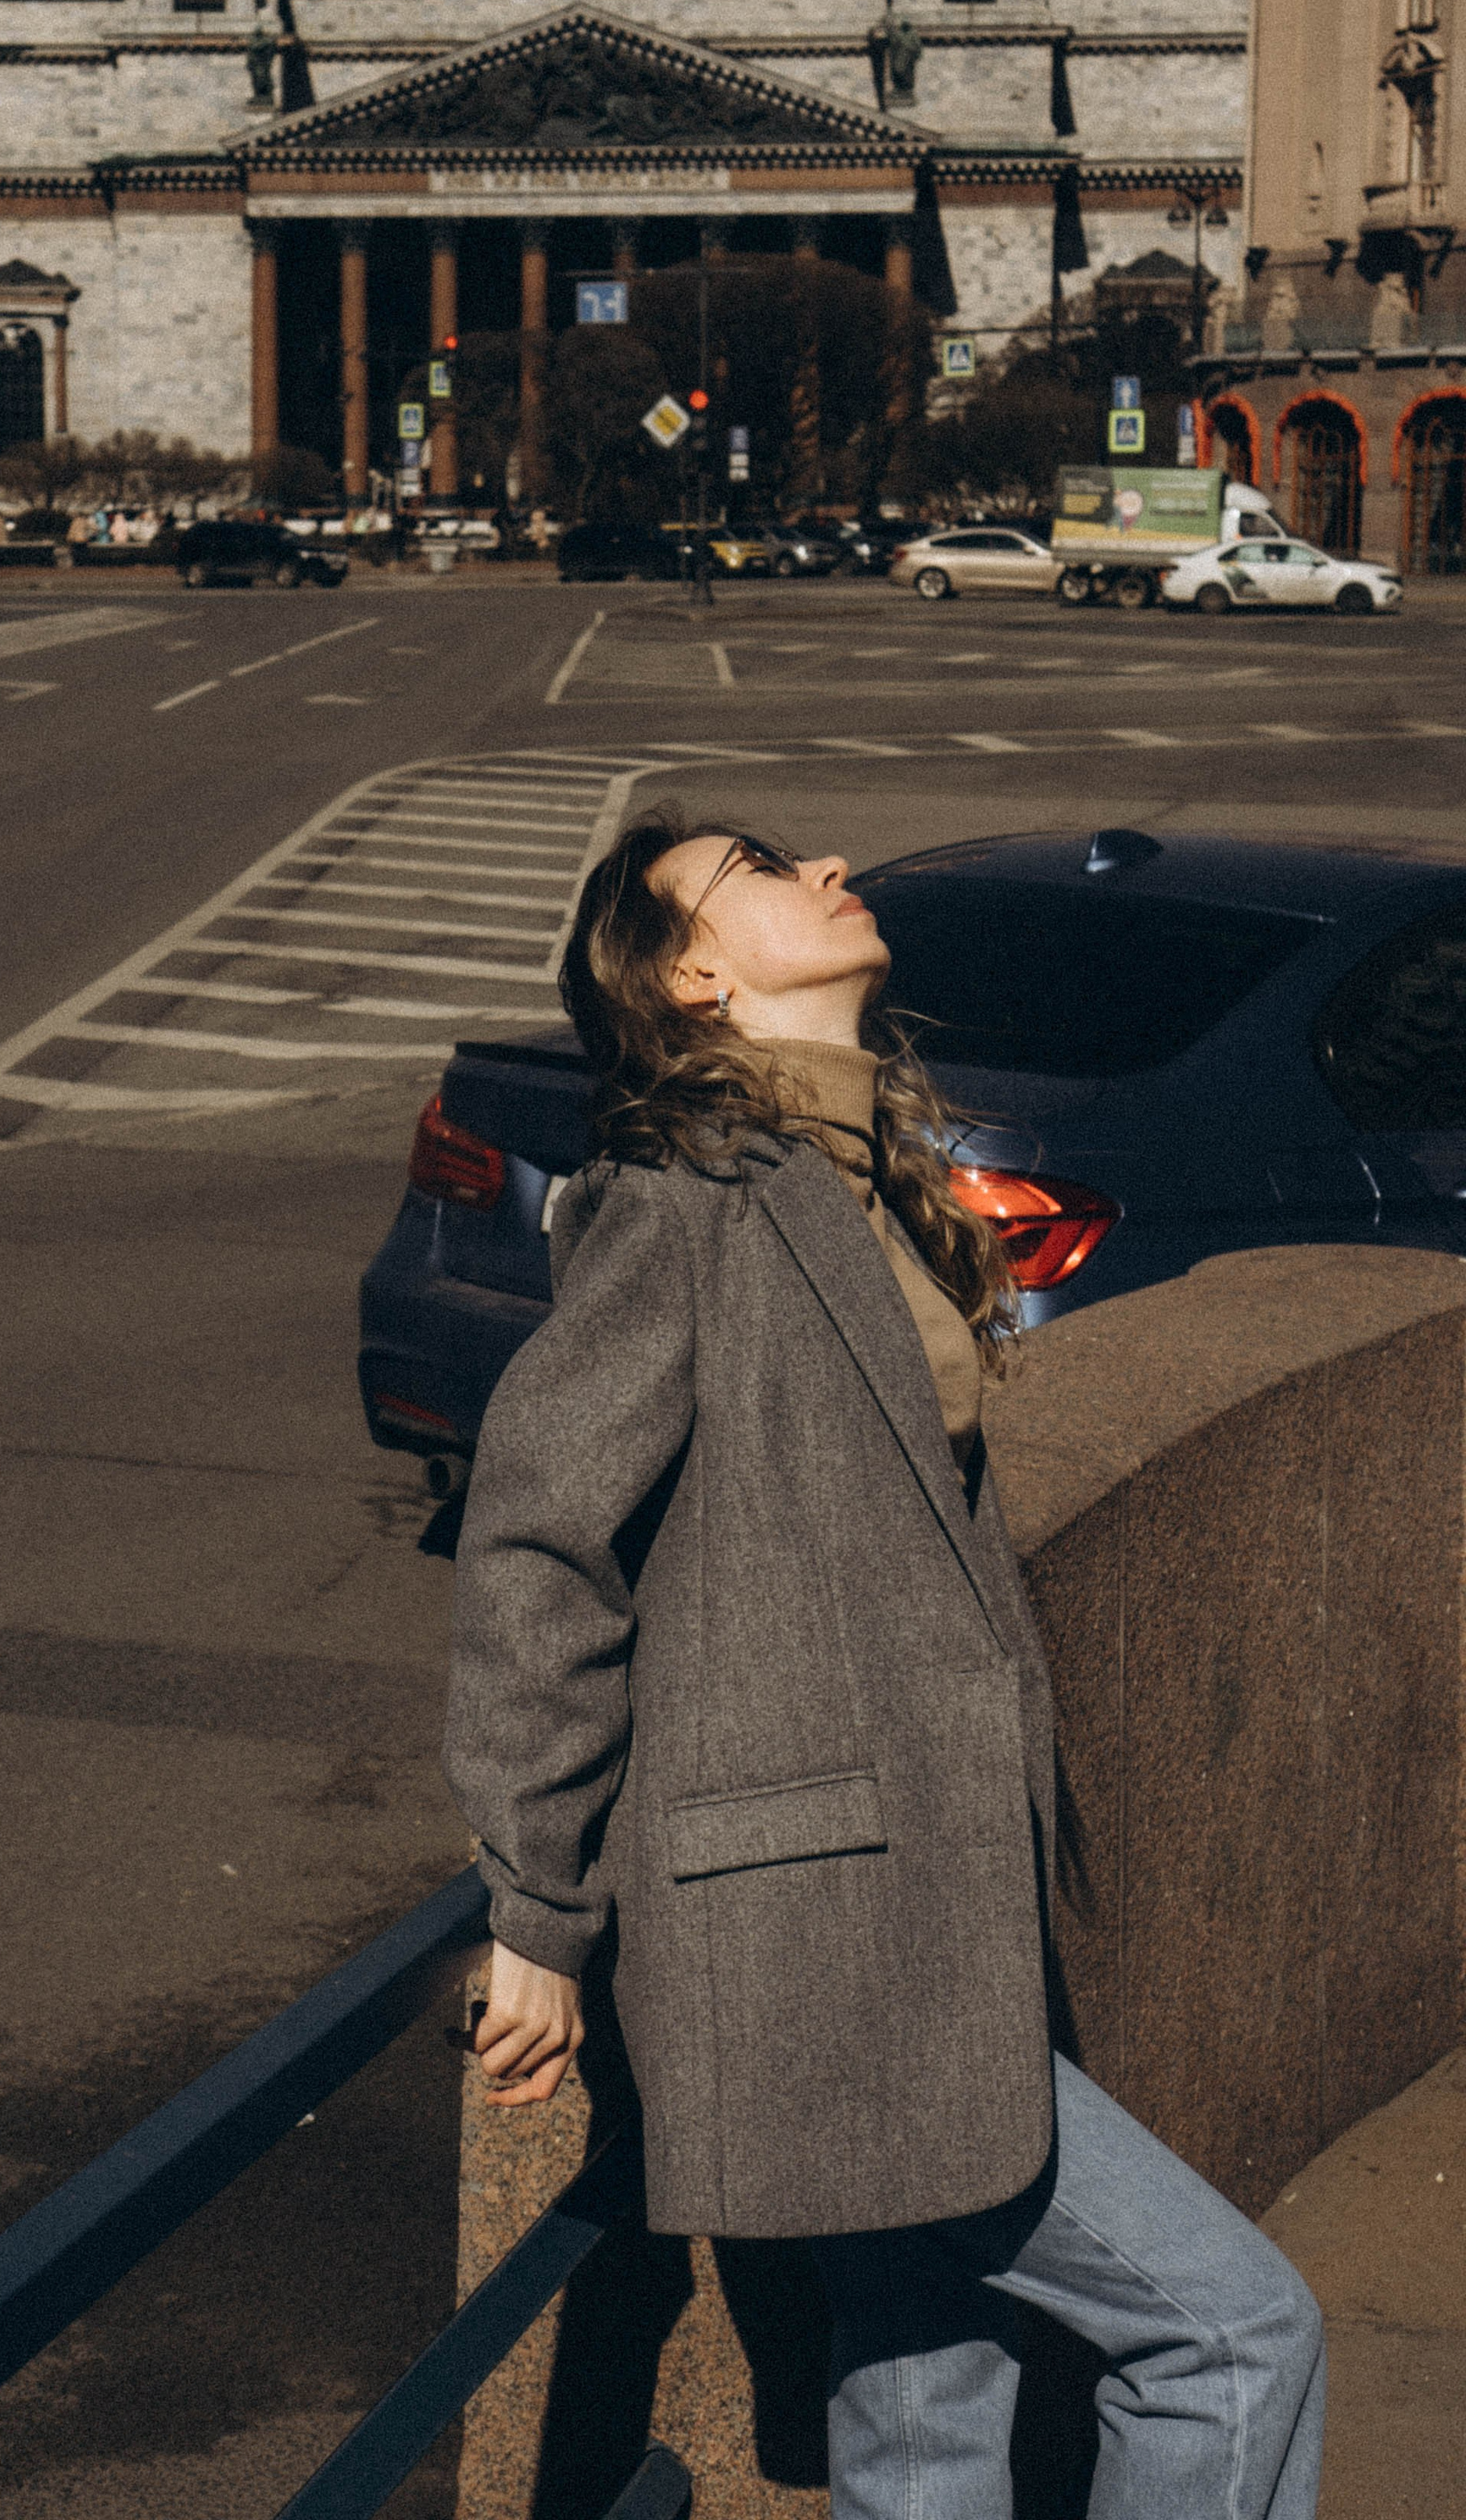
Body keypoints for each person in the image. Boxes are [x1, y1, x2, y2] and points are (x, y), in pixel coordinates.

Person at [443, 813, 1324, 2520]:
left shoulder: (842, 1178)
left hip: (908, 1922)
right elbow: (536, 1541)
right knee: (1227, 2332)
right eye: (761, 864)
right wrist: (534, 1913)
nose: (823, 862)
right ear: (690, 972)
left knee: (927, 2395)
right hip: (816, 1950)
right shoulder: (675, 1201)